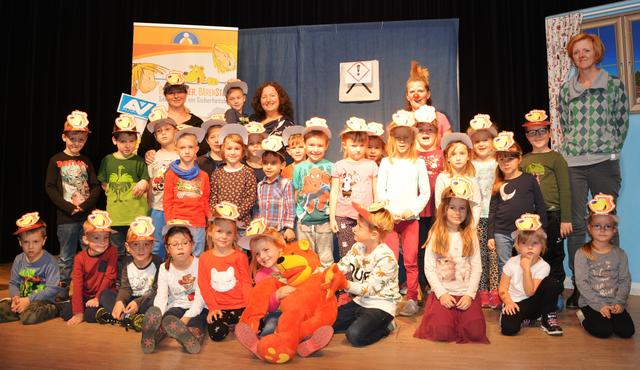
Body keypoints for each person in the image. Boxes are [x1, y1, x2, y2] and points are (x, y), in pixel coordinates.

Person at [559, 33, 629, 309]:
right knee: (577, 226)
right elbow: (566, 125)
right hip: (574, 164)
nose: (581, 55)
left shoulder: (613, 85)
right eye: (576, 52)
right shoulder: (566, 90)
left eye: (586, 50)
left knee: (605, 221)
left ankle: (610, 286)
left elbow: (621, 123)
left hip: (604, 162)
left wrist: (607, 146)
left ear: (596, 52)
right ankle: (580, 287)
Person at [414, 182, 488, 344]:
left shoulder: (470, 234)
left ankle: (462, 318)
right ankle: (448, 319)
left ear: (468, 211)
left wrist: (469, 295)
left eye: (462, 208)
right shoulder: (436, 234)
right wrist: (441, 294)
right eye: (453, 207)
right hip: (445, 292)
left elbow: (477, 268)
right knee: (441, 332)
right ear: (444, 209)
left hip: (466, 292)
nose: (457, 212)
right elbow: (429, 268)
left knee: (475, 332)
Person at [376, 110, 429, 316]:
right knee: (389, 259)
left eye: (406, 137)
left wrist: (411, 210)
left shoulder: (418, 163)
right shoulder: (386, 163)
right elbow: (381, 191)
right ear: (392, 139)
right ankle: (389, 297)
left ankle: (412, 297)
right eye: (398, 137)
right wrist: (391, 211)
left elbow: (425, 192)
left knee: (411, 259)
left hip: (410, 219)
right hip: (390, 219)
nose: (402, 141)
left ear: (412, 138)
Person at [520, 109, 572, 309]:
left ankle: (555, 294)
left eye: (542, 131)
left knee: (554, 255)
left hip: (553, 214)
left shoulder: (556, 159)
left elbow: (565, 190)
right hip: (531, 218)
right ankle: (532, 293)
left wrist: (566, 218)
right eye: (532, 132)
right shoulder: (523, 161)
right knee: (531, 255)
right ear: (526, 136)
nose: (538, 136)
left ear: (550, 133)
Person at [45, 110, 100, 294]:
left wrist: (84, 206)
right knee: (66, 258)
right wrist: (69, 207)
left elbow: (95, 186)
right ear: (64, 137)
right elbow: (50, 187)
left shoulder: (86, 161)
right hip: (66, 218)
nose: (76, 143)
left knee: (89, 254)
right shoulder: (56, 160)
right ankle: (62, 294)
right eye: (72, 138)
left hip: (86, 218)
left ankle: (90, 291)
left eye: (81, 140)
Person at [333, 201, 401, 347]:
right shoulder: (358, 246)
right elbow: (343, 265)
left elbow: (369, 289)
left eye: (359, 226)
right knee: (329, 321)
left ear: (374, 234)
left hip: (381, 306)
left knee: (354, 336)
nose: (354, 229)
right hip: (361, 301)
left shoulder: (386, 258)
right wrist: (326, 273)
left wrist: (344, 284)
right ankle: (362, 321)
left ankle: (386, 327)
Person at [141, 220, 207, 354]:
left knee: (198, 321)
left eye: (184, 243)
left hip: (198, 307)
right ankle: (153, 335)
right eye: (175, 244)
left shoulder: (200, 265)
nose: (180, 247)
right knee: (168, 318)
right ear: (167, 248)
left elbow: (201, 298)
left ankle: (191, 337)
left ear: (193, 245)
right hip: (177, 305)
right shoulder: (164, 268)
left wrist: (186, 319)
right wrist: (158, 314)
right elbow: (161, 296)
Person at [575, 194, 635, 338]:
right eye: (597, 226)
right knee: (603, 331)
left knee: (627, 332)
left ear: (614, 230)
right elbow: (582, 283)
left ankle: (613, 313)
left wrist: (619, 303)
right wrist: (599, 305)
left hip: (613, 301)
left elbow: (625, 281)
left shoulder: (620, 254)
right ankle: (582, 315)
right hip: (591, 302)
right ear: (589, 228)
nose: (602, 230)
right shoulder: (582, 253)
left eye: (608, 226)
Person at [488, 131, 547, 276]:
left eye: (510, 159)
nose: (506, 163)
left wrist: (543, 229)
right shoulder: (498, 183)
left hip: (525, 231)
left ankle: (524, 290)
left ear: (519, 159)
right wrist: (491, 235)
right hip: (501, 232)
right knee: (505, 264)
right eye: (502, 159)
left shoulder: (529, 180)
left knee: (527, 261)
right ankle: (507, 294)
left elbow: (540, 204)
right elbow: (493, 211)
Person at [98, 114, 149, 270]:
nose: (127, 145)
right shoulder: (107, 160)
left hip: (135, 217)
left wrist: (143, 182)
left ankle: (134, 279)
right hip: (116, 217)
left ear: (136, 141)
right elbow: (104, 184)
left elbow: (146, 181)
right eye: (122, 141)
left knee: (136, 250)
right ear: (115, 141)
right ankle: (119, 281)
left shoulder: (139, 161)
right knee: (117, 252)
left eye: (131, 141)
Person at [499, 213, 564, 336]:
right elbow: (502, 288)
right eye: (524, 243)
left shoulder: (544, 266)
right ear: (517, 245)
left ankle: (547, 318)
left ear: (542, 246)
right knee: (509, 329)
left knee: (552, 283)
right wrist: (508, 302)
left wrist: (526, 269)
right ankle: (524, 320)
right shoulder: (512, 263)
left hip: (534, 303)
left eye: (535, 243)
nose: (530, 247)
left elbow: (529, 292)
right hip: (515, 303)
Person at [198, 202, 252, 341]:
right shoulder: (204, 258)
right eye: (219, 231)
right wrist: (212, 307)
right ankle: (230, 325)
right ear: (210, 231)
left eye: (229, 233)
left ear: (235, 235)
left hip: (241, 305)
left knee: (256, 328)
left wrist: (250, 307)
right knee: (217, 334)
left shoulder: (240, 257)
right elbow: (204, 285)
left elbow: (246, 283)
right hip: (219, 307)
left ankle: (237, 325)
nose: (224, 236)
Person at [97, 216, 162, 324]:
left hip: (146, 301)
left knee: (156, 302)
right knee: (105, 294)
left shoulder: (158, 263)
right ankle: (126, 316)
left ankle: (125, 317)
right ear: (127, 247)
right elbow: (125, 288)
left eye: (146, 244)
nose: (141, 249)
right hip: (131, 299)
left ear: (152, 246)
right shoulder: (126, 262)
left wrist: (138, 303)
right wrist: (120, 301)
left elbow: (157, 290)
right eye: (135, 244)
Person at [59, 210, 118, 325]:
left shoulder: (112, 251)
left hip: (104, 293)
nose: (102, 242)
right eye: (96, 238)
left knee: (90, 316)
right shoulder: (79, 258)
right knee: (67, 313)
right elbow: (78, 285)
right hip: (86, 294)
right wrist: (78, 312)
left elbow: (109, 277)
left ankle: (108, 311)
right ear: (86, 240)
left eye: (106, 238)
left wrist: (97, 298)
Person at [330, 117, 378, 258]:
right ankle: (349, 279)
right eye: (354, 145)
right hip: (343, 216)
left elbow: (376, 192)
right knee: (347, 253)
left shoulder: (371, 165)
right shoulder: (339, 165)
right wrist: (332, 218)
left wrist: (376, 214)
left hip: (365, 216)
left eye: (362, 145)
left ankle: (364, 278)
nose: (358, 149)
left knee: (366, 251)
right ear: (344, 144)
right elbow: (334, 193)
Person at [0, 212, 59, 325]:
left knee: (30, 317)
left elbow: (52, 289)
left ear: (44, 240)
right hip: (23, 300)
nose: (31, 247)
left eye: (35, 242)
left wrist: (28, 300)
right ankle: (20, 310)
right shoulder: (18, 259)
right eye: (26, 242)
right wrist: (16, 298)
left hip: (42, 302)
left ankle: (54, 310)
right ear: (20, 242)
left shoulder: (50, 261)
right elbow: (13, 283)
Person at [467, 114, 500, 308]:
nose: (481, 144)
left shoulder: (498, 162)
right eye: (476, 141)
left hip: (495, 216)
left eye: (485, 140)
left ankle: (495, 289)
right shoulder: (470, 165)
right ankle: (481, 290)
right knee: (477, 254)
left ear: (493, 141)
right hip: (476, 216)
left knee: (494, 253)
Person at [139, 71, 206, 165]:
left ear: (186, 94)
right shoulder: (156, 119)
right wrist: (147, 153)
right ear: (165, 96)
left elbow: (204, 151)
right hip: (161, 174)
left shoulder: (197, 122)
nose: (176, 96)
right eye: (171, 93)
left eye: (180, 92)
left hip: (188, 173)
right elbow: (143, 148)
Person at [292, 117, 334, 268]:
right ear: (304, 144)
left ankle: (328, 287)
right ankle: (309, 288)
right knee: (306, 258)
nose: (315, 149)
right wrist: (299, 214)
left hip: (324, 222)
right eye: (311, 145)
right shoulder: (299, 168)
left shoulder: (331, 167)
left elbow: (334, 193)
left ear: (326, 145)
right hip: (304, 222)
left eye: (319, 145)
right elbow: (296, 193)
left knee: (326, 258)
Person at [163, 126, 210, 257]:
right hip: (178, 223)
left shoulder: (204, 175)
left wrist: (211, 219)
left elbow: (205, 201)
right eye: (183, 148)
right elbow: (167, 201)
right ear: (176, 150)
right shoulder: (171, 174)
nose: (187, 151)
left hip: (198, 223)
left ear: (197, 149)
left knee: (197, 257)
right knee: (179, 256)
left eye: (190, 147)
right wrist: (171, 222)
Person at [239, 224, 292, 336]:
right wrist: (277, 295)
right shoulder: (261, 276)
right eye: (257, 253)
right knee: (271, 326)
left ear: (279, 247)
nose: (262, 256)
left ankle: (306, 340)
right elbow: (264, 304)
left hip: (295, 309)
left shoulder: (292, 265)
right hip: (276, 313)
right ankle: (265, 344)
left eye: (266, 250)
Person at [414, 105, 444, 303]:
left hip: (438, 210)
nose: (425, 134)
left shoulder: (442, 154)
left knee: (438, 248)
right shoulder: (412, 155)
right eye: (421, 130)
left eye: (430, 130)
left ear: (437, 133)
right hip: (418, 210)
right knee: (418, 248)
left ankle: (437, 283)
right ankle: (418, 283)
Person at [210, 124, 257, 230]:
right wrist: (218, 213)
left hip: (241, 224)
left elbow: (250, 198)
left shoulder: (248, 172)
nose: (232, 152)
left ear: (243, 151)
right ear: (223, 150)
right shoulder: (217, 173)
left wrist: (235, 214)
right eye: (229, 148)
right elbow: (213, 197)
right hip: (221, 223)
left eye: (236, 149)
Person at [434, 132, 481, 224]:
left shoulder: (472, 179)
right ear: (447, 158)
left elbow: (476, 205)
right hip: (447, 225)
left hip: (467, 225)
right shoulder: (443, 178)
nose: (458, 158)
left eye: (462, 153)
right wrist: (445, 224)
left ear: (468, 156)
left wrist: (472, 227)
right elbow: (439, 204)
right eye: (453, 154)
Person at [256, 136, 296, 241]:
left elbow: (290, 207)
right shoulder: (260, 185)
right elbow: (260, 210)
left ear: (282, 165)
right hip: (265, 231)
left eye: (273, 163)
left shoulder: (286, 183)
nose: (268, 167)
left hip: (280, 232)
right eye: (265, 163)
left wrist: (289, 227)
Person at [404, 60, 452, 140]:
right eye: (412, 91)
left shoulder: (440, 118)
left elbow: (449, 146)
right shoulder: (403, 119)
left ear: (428, 94)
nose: (416, 95)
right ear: (407, 97)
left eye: (420, 91)